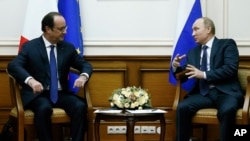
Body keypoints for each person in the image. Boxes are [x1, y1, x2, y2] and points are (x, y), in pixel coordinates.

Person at [7, 12, 92, 141]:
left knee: (80, 106)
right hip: (38, 94)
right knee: (44, 108)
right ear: (47, 29)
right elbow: (13, 66)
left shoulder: (67, 48)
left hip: (60, 93)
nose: (65, 32)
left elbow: (85, 65)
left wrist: (83, 77)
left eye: (65, 28)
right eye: (61, 29)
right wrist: (31, 81)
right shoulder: (30, 47)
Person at [172, 17, 244, 141]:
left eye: (196, 29)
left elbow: (230, 69)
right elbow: (185, 75)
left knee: (227, 110)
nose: (193, 33)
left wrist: (204, 74)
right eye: (192, 30)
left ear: (208, 29)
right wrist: (176, 67)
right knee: (182, 107)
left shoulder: (226, 44)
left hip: (226, 93)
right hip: (203, 94)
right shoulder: (193, 52)